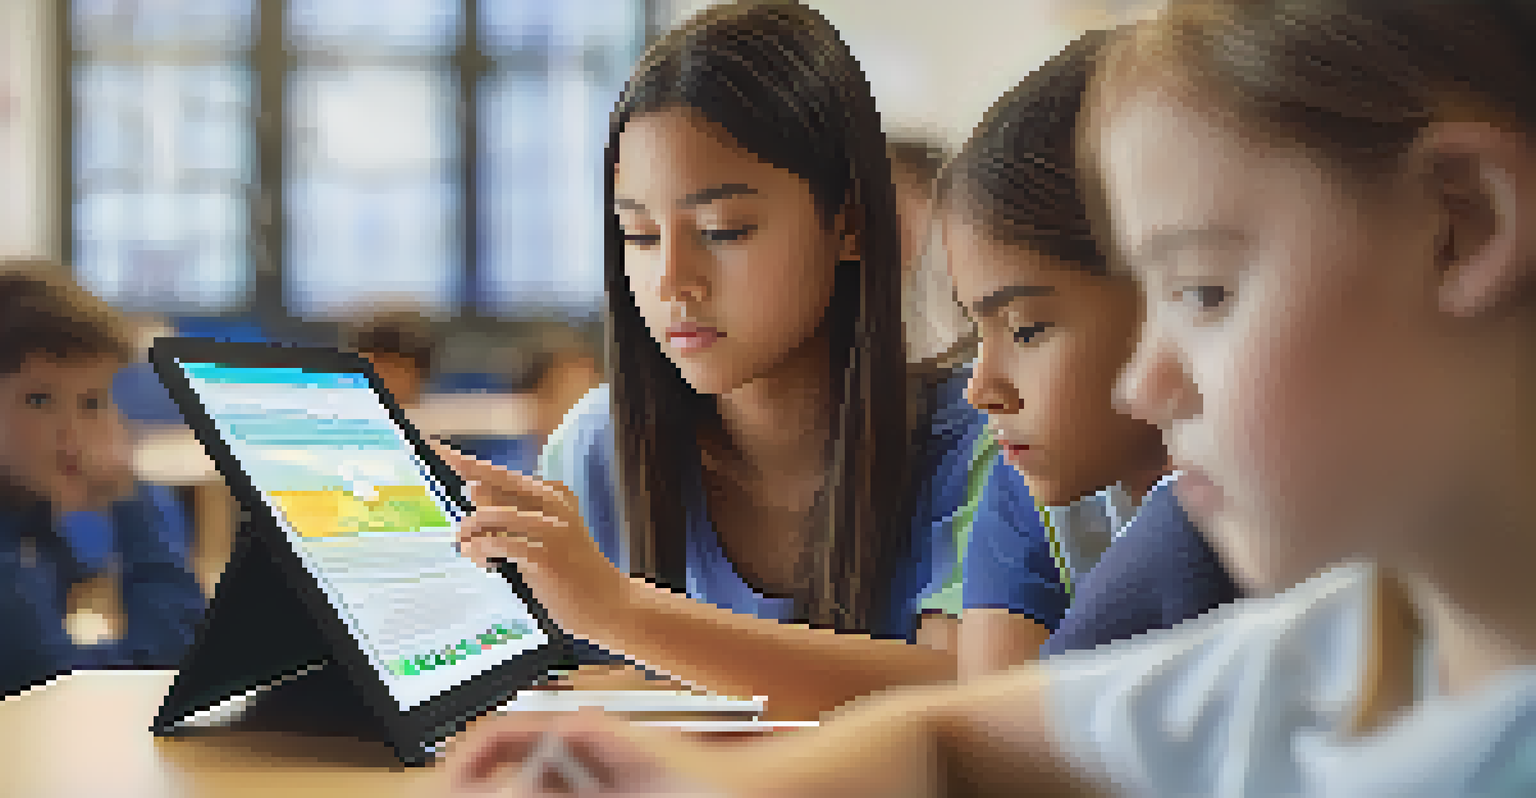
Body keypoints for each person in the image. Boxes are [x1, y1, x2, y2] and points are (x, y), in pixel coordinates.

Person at [440, 1, 1536, 793]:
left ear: (1464, 224)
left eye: (1202, 289)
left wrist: (626, 617)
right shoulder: (1346, 644)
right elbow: (954, 739)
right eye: (635, 236)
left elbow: (946, 705)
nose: (1145, 383)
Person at [432, 0, 1065, 719]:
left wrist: (618, 611)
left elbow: (965, 694)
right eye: (639, 236)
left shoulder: (983, 442)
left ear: (850, 222)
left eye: (724, 229)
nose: (673, 280)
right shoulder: (593, 450)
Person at [933, 30, 1240, 673]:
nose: (981, 386)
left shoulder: (1247, 495)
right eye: (975, 332)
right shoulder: (1026, 495)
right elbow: (993, 732)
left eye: (1026, 330)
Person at [0, 269, 206, 696]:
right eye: (40, 400)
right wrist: (132, 497)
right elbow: (83, 689)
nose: (72, 432)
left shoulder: (27, 516)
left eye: (92, 403)